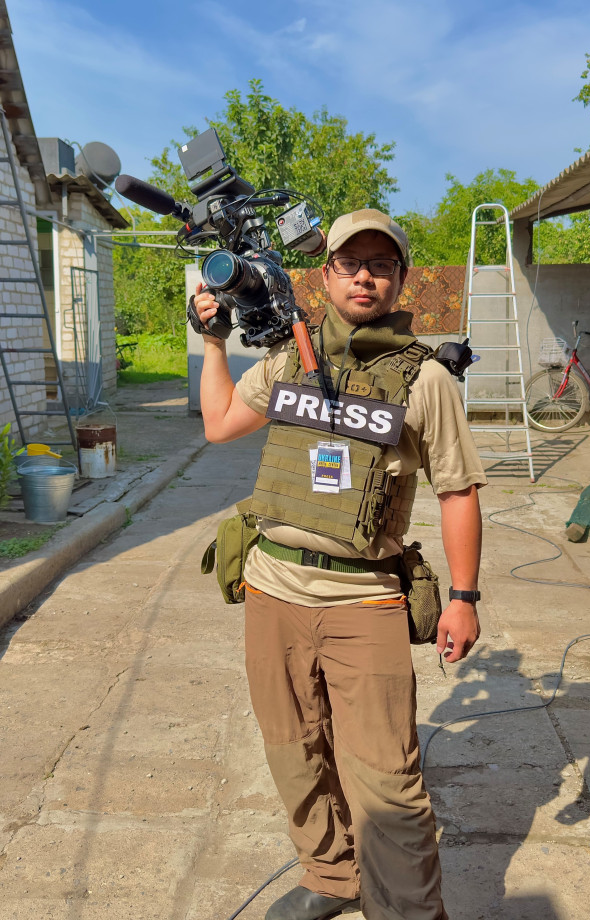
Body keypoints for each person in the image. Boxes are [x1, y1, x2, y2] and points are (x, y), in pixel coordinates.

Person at [193, 209, 485, 920]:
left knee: (385, 780)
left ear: (398, 281)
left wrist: (464, 597)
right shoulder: (289, 358)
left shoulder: (425, 380)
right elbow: (221, 423)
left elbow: (457, 491)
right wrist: (211, 342)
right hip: (272, 588)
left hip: (365, 602)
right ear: (324, 275)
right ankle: (331, 877)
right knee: (294, 751)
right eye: (350, 263)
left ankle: (410, 911)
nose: (364, 276)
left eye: (380, 265)